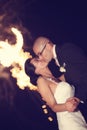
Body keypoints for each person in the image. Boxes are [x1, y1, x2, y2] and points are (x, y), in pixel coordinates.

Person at [32, 36, 87, 121]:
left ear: (48, 45)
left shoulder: (66, 49)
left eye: (40, 54)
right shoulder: (58, 60)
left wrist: (78, 98)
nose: (41, 58)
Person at [24, 57, 87, 130]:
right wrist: (66, 106)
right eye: (37, 61)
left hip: (79, 115)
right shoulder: (41, 81)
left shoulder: (55, 77)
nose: (40, 58)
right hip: (69, 121)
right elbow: (53, 106)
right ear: (35, 71)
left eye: (38, 58)